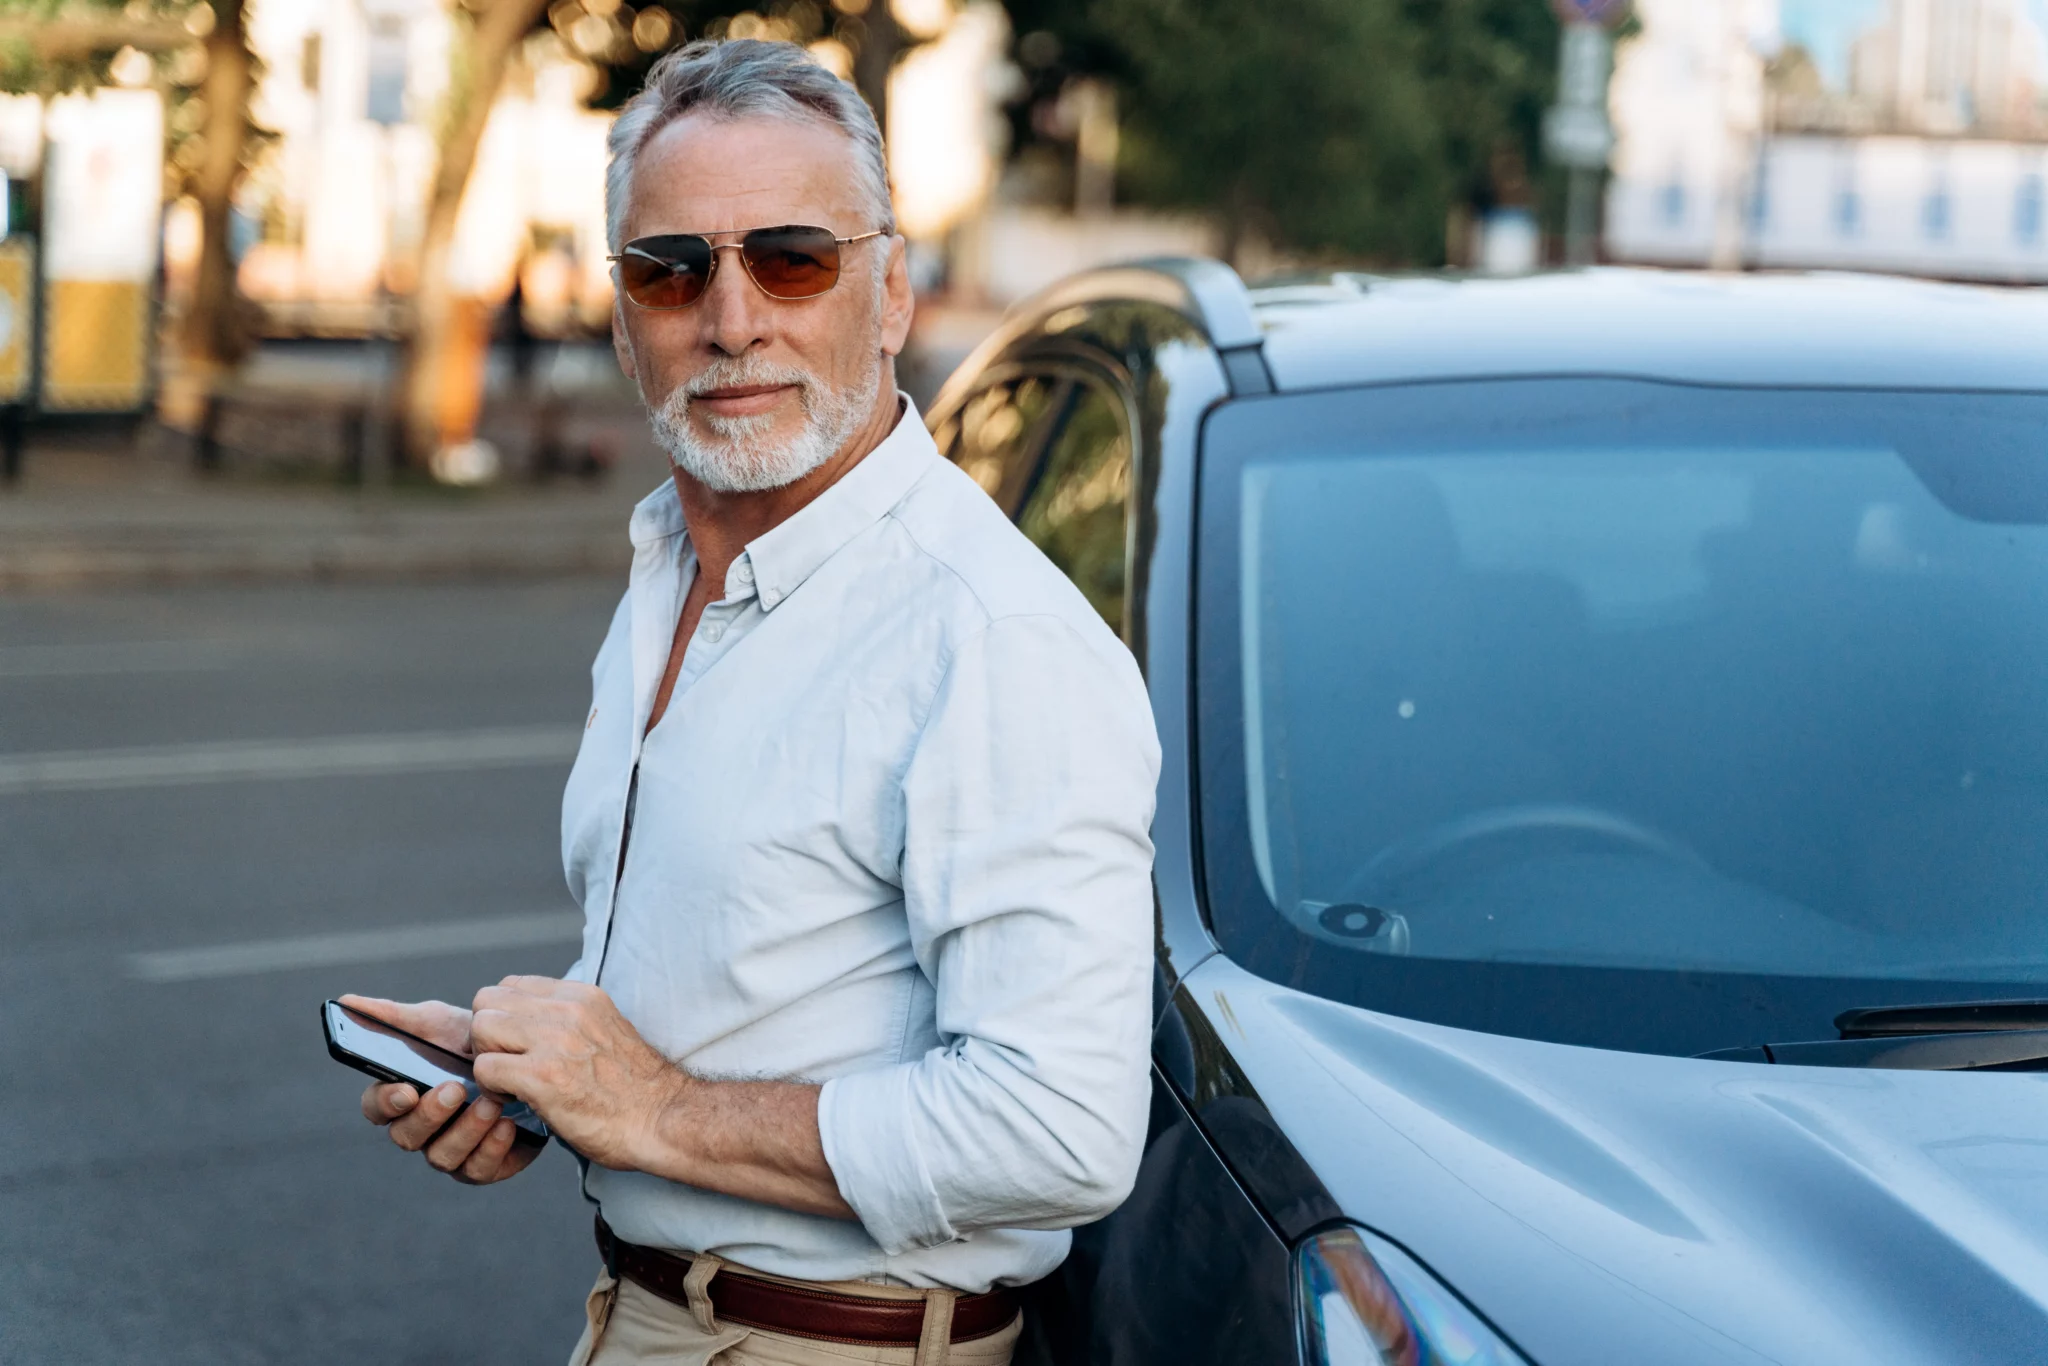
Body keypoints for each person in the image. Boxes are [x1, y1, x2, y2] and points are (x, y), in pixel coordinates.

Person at [340, 37, 1161, 1366]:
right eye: (672, 271)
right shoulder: (677, 555)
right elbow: (750, 974)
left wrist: (655, 1108)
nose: (731, 321)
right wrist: (539, 1075)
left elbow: (1058, 1125)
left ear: (890, 292)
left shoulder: (991, 635)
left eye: (792, 258)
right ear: (621, 316)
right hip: (658, 1318)